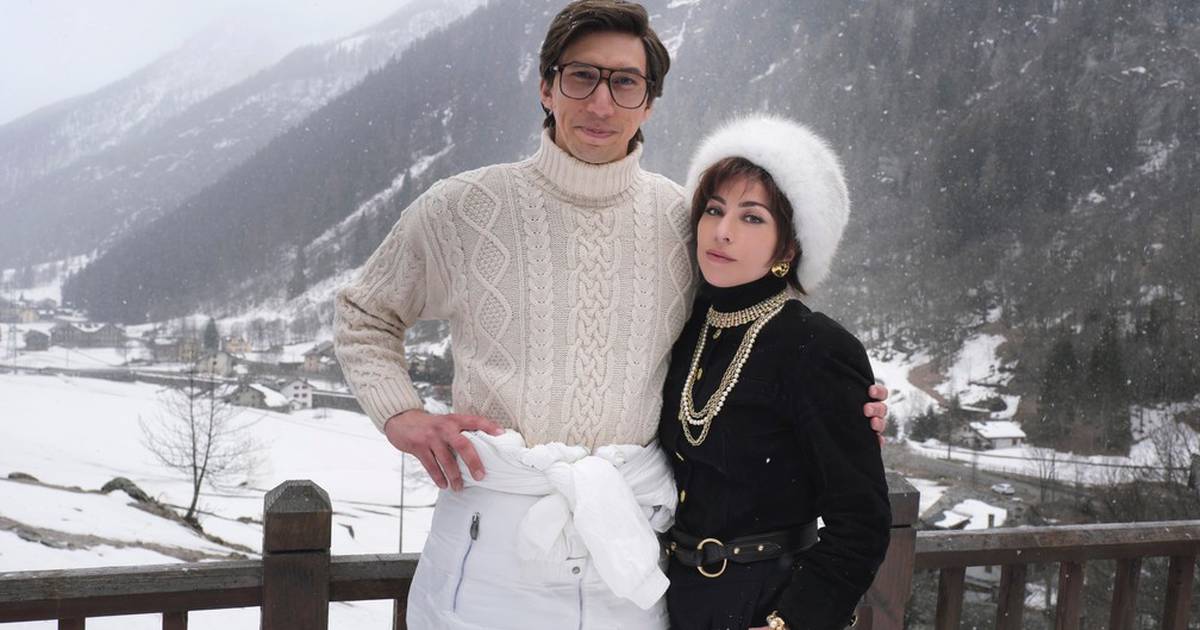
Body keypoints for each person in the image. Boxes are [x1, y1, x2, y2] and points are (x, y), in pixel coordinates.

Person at [334, 2, 888, 627]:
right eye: (581, 77)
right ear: (546, 87)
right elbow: (365, 312)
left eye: (625, 83)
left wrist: (848, 403)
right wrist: (401, 414)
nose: (601, 103)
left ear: (648, 103)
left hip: (629, 557)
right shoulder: (462, 208)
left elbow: (750, 329)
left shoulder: (681, 221)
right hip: (490, 541)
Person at [659, 115, 891, 630]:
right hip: (674, 599)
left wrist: (789, 622)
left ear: (788, 246)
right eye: (714, 209)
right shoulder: (684, 326)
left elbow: (863, 522)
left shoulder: (818, 348)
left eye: (752, 217)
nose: (722, 231)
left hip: (766, 603)